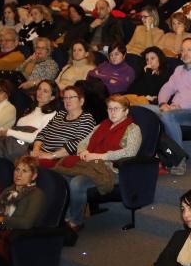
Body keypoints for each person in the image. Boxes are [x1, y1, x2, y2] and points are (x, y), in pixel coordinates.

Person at [55, 95, 142, 231]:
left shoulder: (133, 129)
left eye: (116, 109)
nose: (112, 112)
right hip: (91, 165)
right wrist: (83, 151)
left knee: (77, 183)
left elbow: (129, 152)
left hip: (114, 170)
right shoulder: (103, 125)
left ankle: (75, 221)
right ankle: (64, 217)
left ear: (126, 111)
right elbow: (84, 142)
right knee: (61, 177)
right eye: (109, 109)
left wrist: (100, 156)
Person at [152, 38, 191, 175]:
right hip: (173, 110)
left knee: (167, 116)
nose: (185, 53)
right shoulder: (178, 70)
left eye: (189, 49)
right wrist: (163, 103)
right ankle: (149, 157)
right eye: (182, 50)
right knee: (142, 111)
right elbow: (167, 88)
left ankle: (179, 160)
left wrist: (179, 106)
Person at [30, 85, 97, 167]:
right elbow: (43, 133)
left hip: (59, 159)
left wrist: (52, 155)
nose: (67, 100)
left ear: (81, 101)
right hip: (41, 153)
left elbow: (77, 144)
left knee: (29, 165)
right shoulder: (60, 114)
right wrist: (36, 149)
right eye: (65, 98)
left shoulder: (86, 118)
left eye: (71, 97)